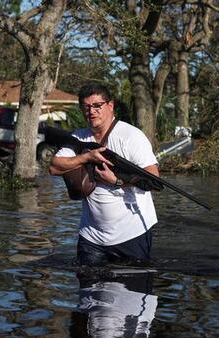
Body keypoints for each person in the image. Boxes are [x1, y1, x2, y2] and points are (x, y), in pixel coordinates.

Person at [49, 83, 159, 266]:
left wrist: (116, 181)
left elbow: (153, 177)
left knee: (134, 291)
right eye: (86, 107)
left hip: (132, 233)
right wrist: (86, 157)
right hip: (91, 236)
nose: (91, 111)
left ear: (110, 105)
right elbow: (54, 167)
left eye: (97, 106)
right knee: (88, 290)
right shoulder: (78, 138)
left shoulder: (131, 136)